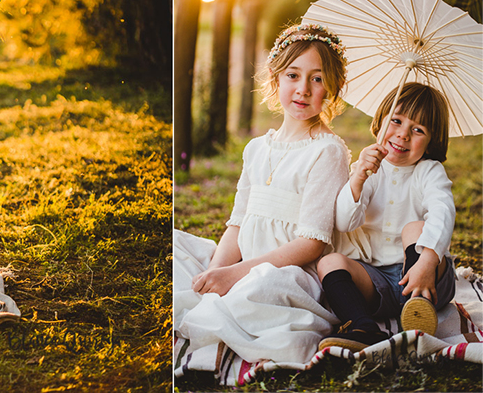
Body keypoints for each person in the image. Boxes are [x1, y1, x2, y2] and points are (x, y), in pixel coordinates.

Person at [173, 24, 351, 364]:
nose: (303, 89)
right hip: (244, 263)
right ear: (275, 78)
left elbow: (312, 243)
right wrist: (215, 273)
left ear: (332, 87)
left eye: (317, 78)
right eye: (293, 75)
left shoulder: (327, 151)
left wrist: (235, 276)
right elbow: (238, 224)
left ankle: (234, 303)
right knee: (175, 247)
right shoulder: (256, 148)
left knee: (260, 289)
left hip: (289, 273)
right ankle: (212, 303)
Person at [318, 83, 456, 351]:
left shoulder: (429, 171)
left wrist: (427, 262)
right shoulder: (369, 168)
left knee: (414, 228)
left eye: (418, 130)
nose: (403, 135)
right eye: (396, 121)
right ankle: (362, 326)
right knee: (329, 261)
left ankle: (419, 308)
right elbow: (346, 223)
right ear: (380, 121)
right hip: (376, 280)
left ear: (432, 141)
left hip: (427, 278)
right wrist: (358, 178)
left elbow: (443, 211)